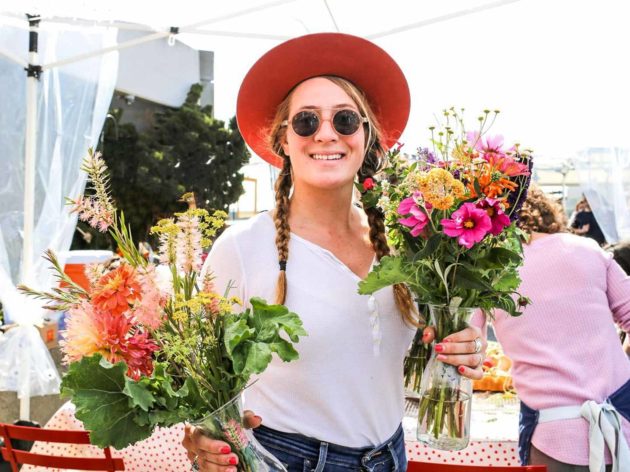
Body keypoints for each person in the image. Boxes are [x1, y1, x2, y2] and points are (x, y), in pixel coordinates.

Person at [182, 33, 486, 472]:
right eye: (306, 121)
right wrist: (200, 436)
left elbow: (425, 344)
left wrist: (464, 347)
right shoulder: (242, 248)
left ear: (366, 137)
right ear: (283, 141)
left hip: (392, 456)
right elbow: (197, 378)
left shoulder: (407, 240)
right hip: (289, 460)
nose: (326, 133)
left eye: (344, 120)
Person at [474, 185, 630, 471]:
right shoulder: (589, 249)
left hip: (551, 438)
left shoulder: (485, 275)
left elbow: (471, 354)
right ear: (548, 214)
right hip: (622, 423)